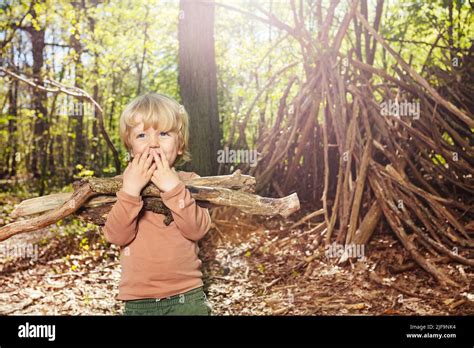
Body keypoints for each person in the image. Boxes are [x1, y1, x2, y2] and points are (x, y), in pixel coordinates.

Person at [103, 92, 212, 315]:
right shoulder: (122, 186)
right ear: (130, 147)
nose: (153, 143)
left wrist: (173, 188)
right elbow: (116, 236)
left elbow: (197, 230)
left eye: (163, 134)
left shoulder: (190, 182)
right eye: (141, 135)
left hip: (187, 297)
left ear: (180, 144)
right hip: (138, 301)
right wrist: (131, 191)